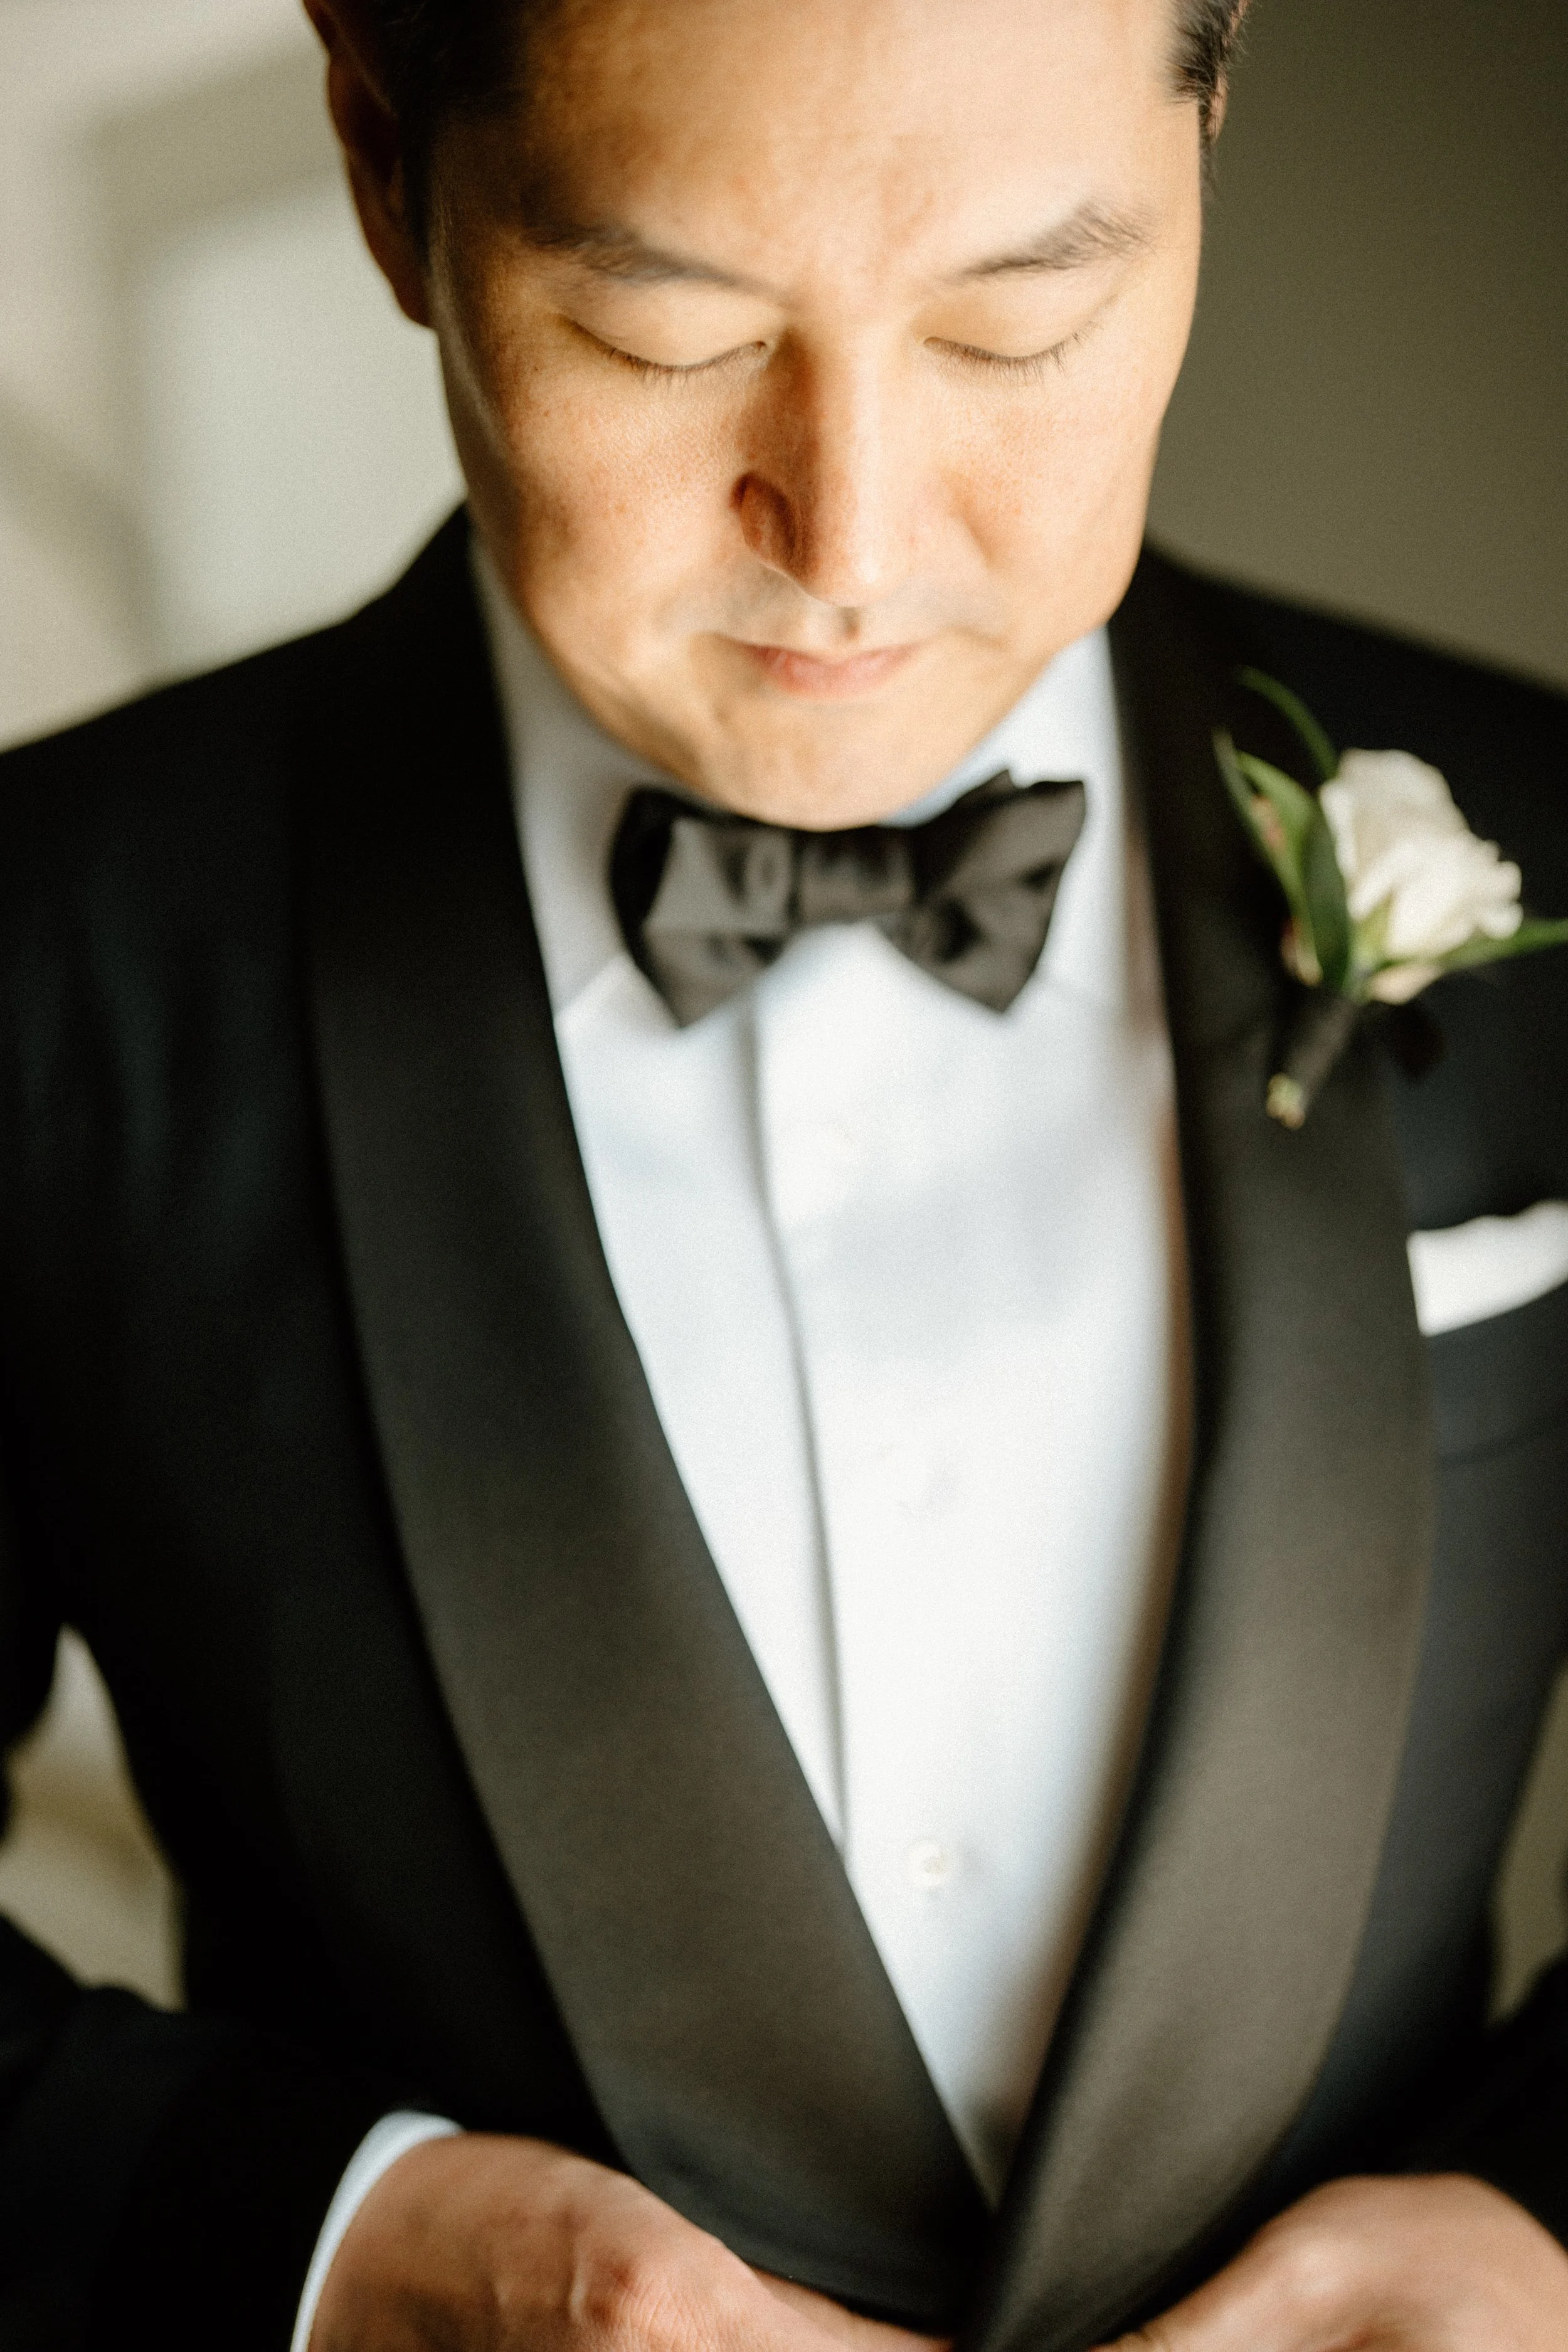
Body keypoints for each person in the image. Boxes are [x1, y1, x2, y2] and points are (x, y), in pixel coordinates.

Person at [2, 0, 1567, 2344]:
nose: (848, 534)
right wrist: (348, 2250)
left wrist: (1546, 2231)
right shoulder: (51, 955)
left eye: (1014, 319)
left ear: (1210, 120)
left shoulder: (1552, 851)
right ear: (373, 153)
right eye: (661, 331)